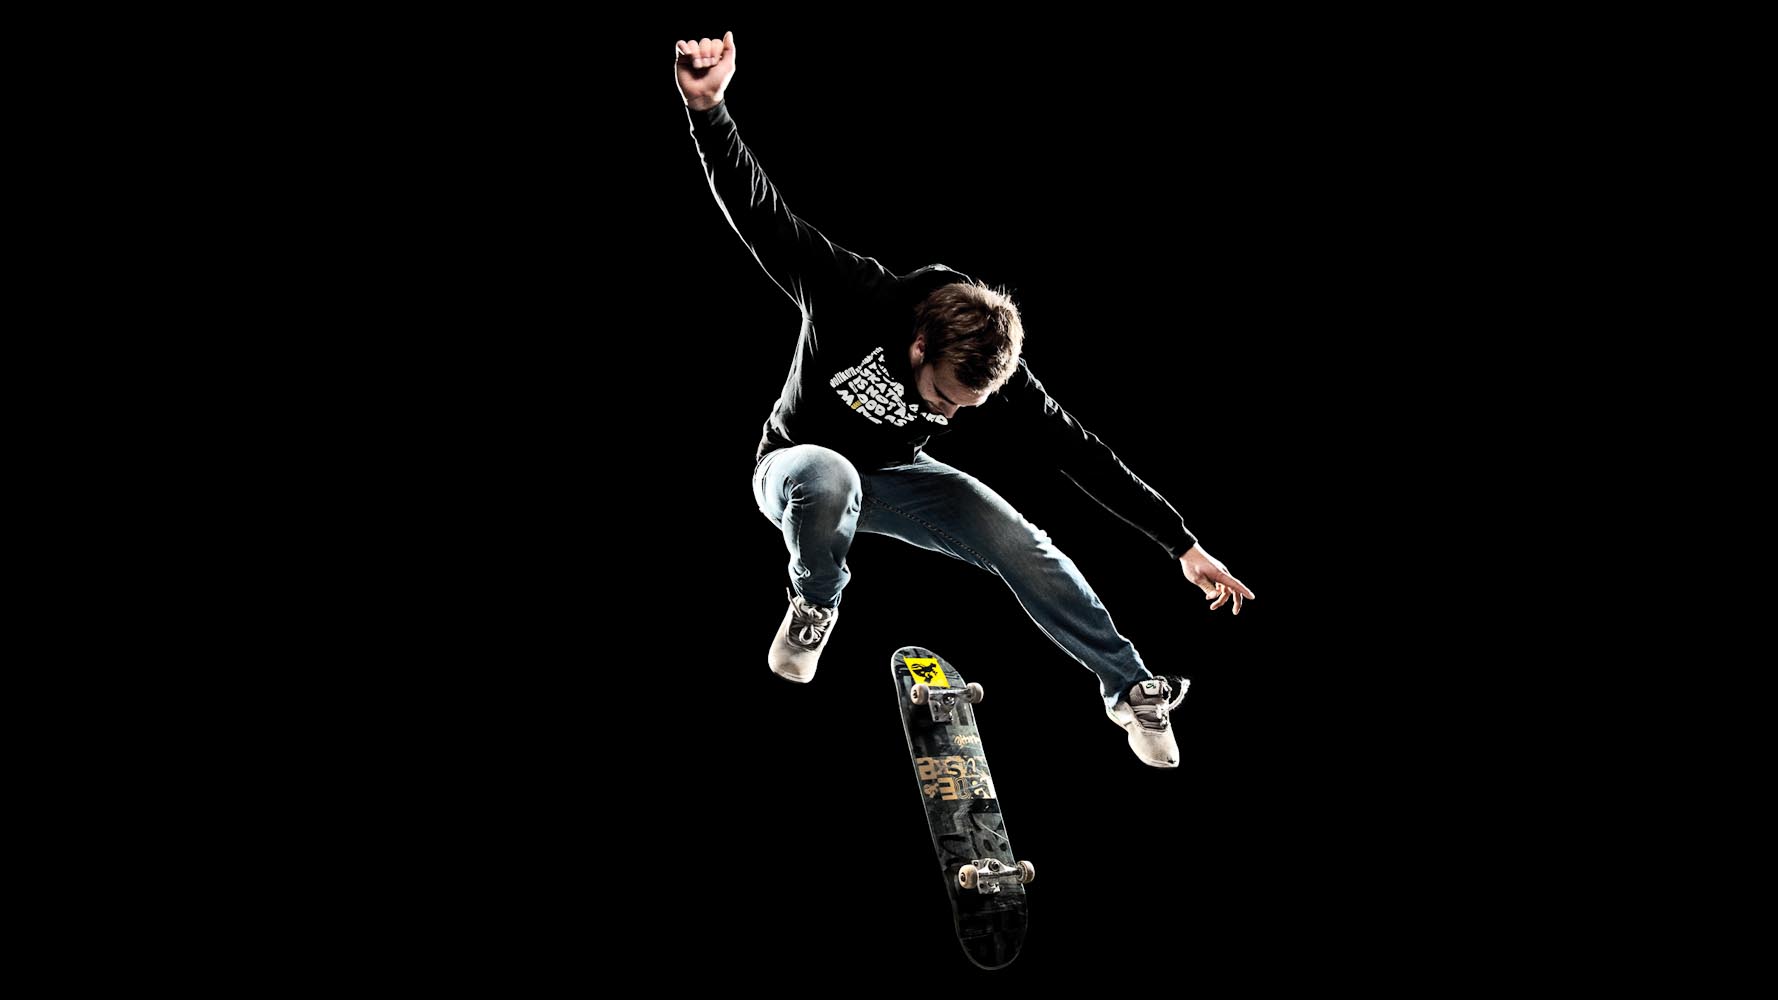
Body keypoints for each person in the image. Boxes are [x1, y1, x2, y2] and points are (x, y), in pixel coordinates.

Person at [674, 31, 1255, 768]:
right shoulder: (852, 294)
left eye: (967, 407)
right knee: (830, 473)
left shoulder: (995, 376)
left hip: (895, 479)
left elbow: (1085, 454)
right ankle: (815, 602)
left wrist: (1182, 544)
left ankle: (1130, 688)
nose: (950, 416)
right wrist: (708, 109)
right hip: (793, 472)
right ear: (919, 345)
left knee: (1024, 543)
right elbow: (761, 213)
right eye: (946, 397)